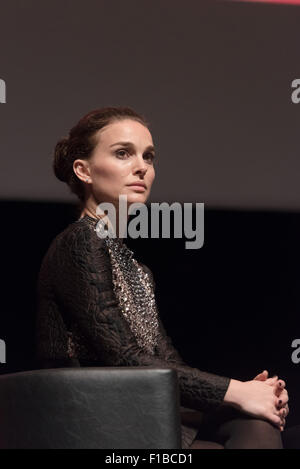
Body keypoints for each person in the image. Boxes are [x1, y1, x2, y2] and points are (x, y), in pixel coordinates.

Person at [36, 106, 289, 449]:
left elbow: (167, 362)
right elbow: (124, 358)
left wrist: (252, 393)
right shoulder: (80, 241)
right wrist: (236, 392)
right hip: (96, 421)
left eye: (149, 156)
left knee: (257, 424)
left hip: (140, 411)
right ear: (84, 171)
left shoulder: (136, 268)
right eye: (123, 153)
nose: (142, 167)